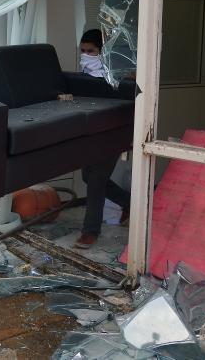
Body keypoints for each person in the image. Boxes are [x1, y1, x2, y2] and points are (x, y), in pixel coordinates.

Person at [75, 29, 131, 249]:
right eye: (83, 51)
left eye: (91, 51)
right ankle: (129, 203)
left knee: (96, 179)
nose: (86, 56)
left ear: (103, 51)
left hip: (114, 131)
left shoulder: (118, 74)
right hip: (93, 131)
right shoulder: (85, 73)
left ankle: (90, 231)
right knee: (88, 177)